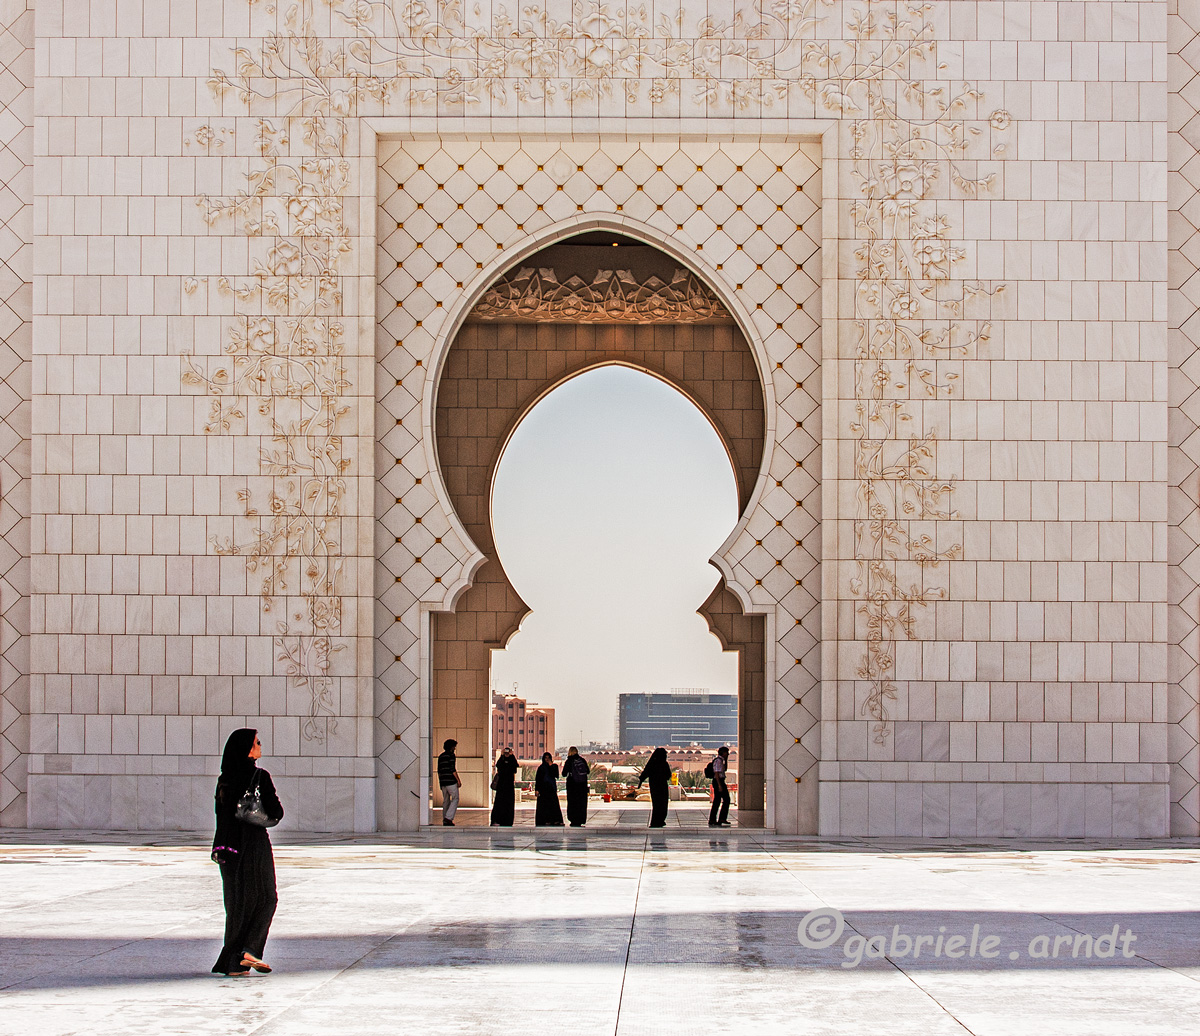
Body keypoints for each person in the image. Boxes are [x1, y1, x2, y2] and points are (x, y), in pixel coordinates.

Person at [211, 728, 284, 977]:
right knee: (266, 898)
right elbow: (276, 812)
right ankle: (249, 950)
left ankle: (232, 963)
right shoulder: (259, 776)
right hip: (252, 844)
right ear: (248, 749)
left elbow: (221, 815)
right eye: (257, 742)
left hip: (226, 847)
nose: (260, 746)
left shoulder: (225, 778)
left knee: (238, 904)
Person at [637, 747, 672, 828]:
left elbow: (645, 773)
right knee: (662, 804)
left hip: (654, 786)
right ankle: (659, 820)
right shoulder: (664, 764)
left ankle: (656, 821)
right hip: (662, 786)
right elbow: (668, 775)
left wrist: (640, 782)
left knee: (656, 804)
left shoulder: (652, 763)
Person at [490, 746, 519, 826]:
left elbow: (515, 768)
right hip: (501, 786)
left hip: (509, 785)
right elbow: (498, 766)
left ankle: (507, 821)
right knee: (499, 804)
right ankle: (497, 820)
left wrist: (512, 755)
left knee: (508, 804)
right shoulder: (501, 760)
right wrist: (502, 755)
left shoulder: (512, 760)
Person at [562, 746, 590, 827]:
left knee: (572, 803)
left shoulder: (569, 761)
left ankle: (573, 820)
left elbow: (563, 774)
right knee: (581, 803)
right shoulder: (582, 760)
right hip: (582, 786)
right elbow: (587, 771)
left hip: (572, 785)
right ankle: (581, 819)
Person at [534, 751, 564, 826]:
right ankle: (545, 820)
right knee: (544, 806)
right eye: (545, 758)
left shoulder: (554, 766)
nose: (547, 759)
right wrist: (537, 789)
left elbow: (556, 775)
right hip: (543, 790)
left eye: (548, 758)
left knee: (553, 805)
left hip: (551, 789)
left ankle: (555, 820)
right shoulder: (541, 768)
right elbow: (538, 779)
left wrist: (550, 765)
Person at [437, 738, 461, 826]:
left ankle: (445, 819)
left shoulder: (441, 756)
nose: (455, 748)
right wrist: (458, 780)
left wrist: (440, 783)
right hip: (451, 781)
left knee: (446, 800)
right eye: (454, 746)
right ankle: (448, 818)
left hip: (443, 781)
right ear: (451, 747)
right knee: (455, 798)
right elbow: (452, 769)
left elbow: (439, 771)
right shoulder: (451, 755)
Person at [708, 745, 732, 828]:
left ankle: (717, 819)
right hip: (718, 781)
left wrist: (726, 760)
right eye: (727, 753)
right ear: (723, 753)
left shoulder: (722, 761)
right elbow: (717, 773)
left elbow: (724, 770)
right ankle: (717, 818)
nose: (728, 754)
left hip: (720, 781)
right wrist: (719, 785)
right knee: (724, 799)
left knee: (718, 800)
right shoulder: (718, 761)